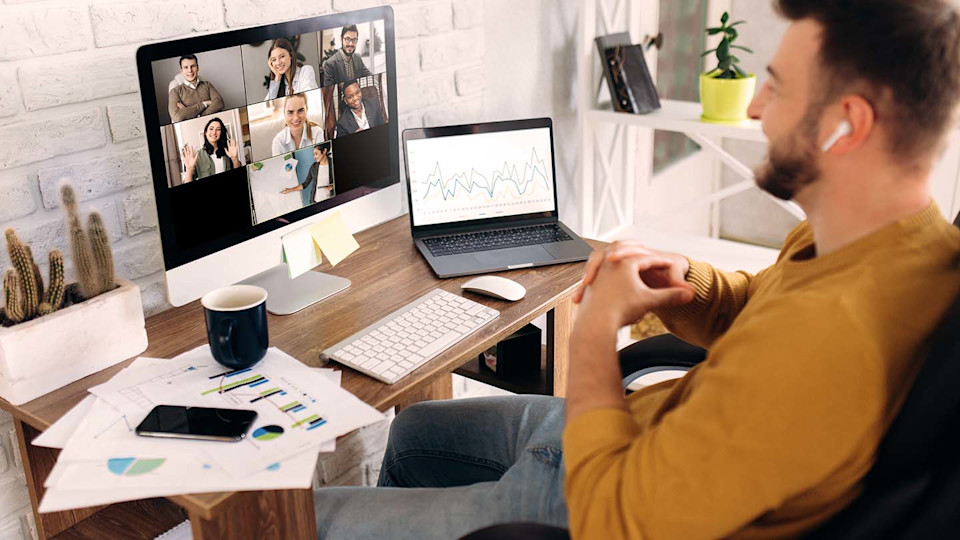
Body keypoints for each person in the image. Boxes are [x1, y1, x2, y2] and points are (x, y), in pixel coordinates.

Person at [311, 1, 960, 538]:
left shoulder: (834, 337)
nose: (757, 107)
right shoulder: (878, 244)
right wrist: (681, 281)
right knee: (416, 433)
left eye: (778, 87)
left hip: (593, 495)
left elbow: (615, 516)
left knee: (309, 516)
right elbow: (754, 311)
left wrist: (595, 329)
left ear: (845, 126)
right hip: (640, 424)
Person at [180, 117, 241, 183]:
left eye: (218, 129)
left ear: (221, 133)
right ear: (206, 133)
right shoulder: (197, 156)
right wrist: (189, 169)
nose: (214, 132)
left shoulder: (228, 152)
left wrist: (235, 159)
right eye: (211, 129)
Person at [168, 54, 224, 123]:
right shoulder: (175, 92)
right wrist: (204, 104)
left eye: (193, 66)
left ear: (198, 68)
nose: (190, 70)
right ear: (182, 71)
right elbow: (177, 117)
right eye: (186, 67)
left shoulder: (207, 84)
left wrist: (191, 113)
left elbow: (220, 103)